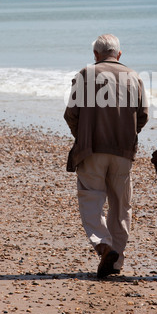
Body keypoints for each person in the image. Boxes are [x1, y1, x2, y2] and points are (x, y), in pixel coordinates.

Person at [64, 34, 148, 278]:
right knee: (121, 206)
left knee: (91, 199)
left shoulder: (86, 74)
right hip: (123, 151)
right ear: (119, 54)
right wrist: (127, 135)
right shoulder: (134, 77)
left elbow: (71, 114)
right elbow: (142, 116)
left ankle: (104, 245)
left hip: (92, 150)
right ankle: (116, 261)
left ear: (96, 55)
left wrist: (82, 135)